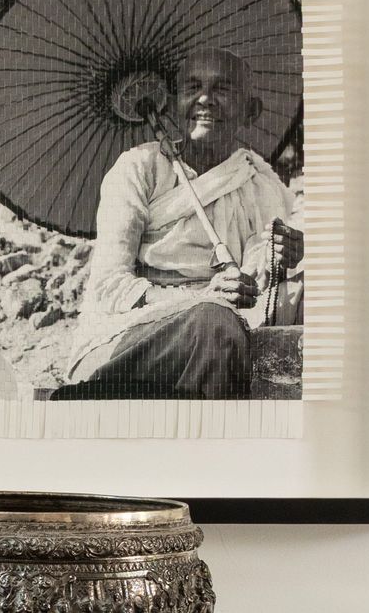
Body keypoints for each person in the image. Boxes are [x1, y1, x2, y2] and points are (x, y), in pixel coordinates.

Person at [55, 48, 302, 402]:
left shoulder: (260, 182)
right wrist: (201, 300)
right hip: (130, 337)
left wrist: (285, 257)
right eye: (192, 87)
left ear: (251, 111)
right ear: (172, 105)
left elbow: (263, 279)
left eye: (224, 88)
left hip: (229, 327)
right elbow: (109, 287)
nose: (205, 99)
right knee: (214, 323)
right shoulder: (139, 169)